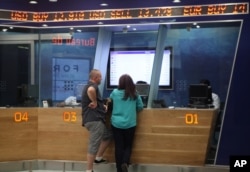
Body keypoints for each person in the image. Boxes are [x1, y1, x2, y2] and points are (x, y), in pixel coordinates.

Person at [109, 74, 144, 172]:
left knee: (118, 146)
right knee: (128, 145)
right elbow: (140, 107)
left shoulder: (115, 93)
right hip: (130, 123)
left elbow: (110, 102)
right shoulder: (134, 93)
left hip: (116, 123)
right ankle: (125, 162)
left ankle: (119, 169)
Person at [81, 69, 112, 172]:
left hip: (93, 119)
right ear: (95, 78)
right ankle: (89, 170)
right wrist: (94, 101)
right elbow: (91, 91)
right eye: (100, 77)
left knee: (108, 135)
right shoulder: (92, 86)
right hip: (95, 120)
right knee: (94, 144)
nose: (101, 79)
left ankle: (98, 158)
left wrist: (101, 105)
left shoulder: (89, 85)